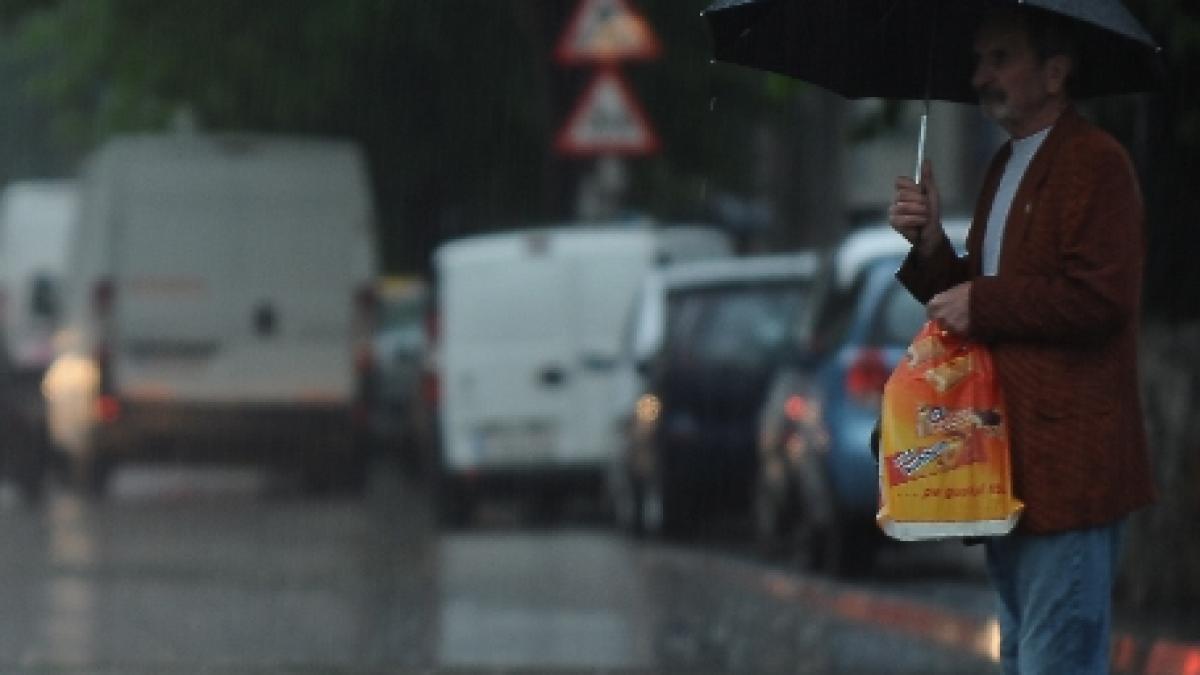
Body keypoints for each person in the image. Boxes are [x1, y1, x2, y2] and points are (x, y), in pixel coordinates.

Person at [888, 7, 1155, 675]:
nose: (980, 77)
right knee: (1024, 659)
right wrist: (931, 248)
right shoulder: (1004, 167)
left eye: (999, 58)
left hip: (1070, 474)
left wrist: (982, 299)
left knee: (1055, 662)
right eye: (979, 61)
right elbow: (985, 301)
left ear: (1056, 72)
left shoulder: (1096, 164)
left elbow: (1099, 299)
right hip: (1005, 469)